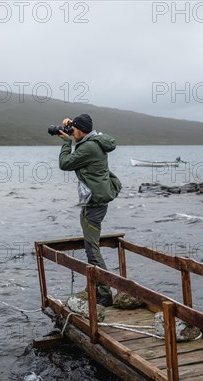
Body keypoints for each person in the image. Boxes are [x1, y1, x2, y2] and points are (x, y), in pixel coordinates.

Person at [57, 113, 122, 306]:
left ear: (81, 130)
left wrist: (66, 142)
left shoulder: (89, 147)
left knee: (92, 250)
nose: (71, 131)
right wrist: (72, 130)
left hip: (94, 204)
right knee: (90, 247)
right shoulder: (94, 141)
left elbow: (65, 163)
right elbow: (79, 141)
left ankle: (104, 294)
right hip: (95, 201)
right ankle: (98, 287)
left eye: (73, 129)